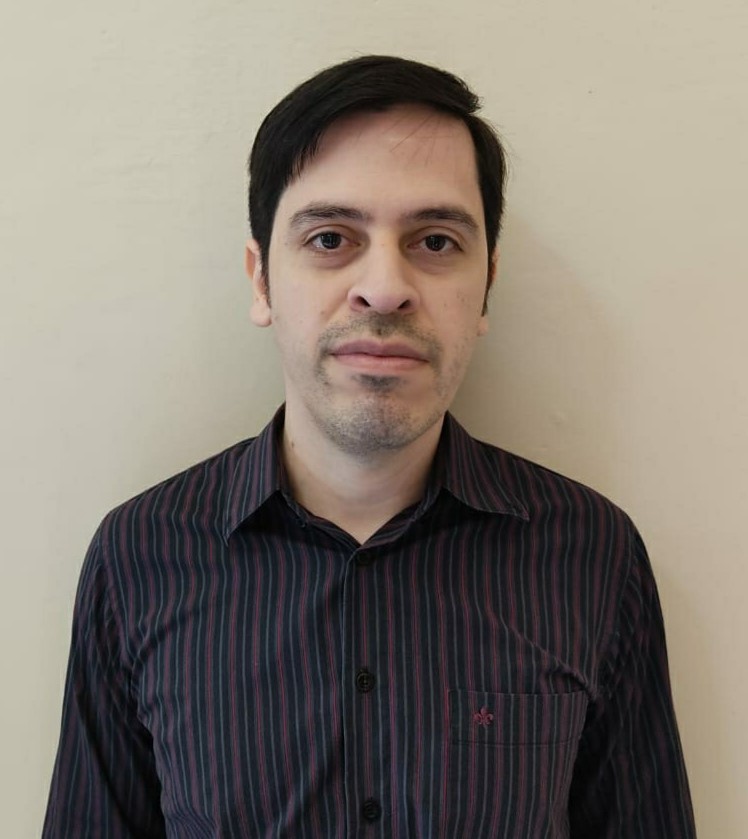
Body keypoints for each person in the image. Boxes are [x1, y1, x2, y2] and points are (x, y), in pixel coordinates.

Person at [43, 55, 695, 837]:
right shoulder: (138, 559)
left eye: (435, 241)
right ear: (260, 279)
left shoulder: (592, 556)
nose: (384, 287)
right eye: (330, 237)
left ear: (487, 285)